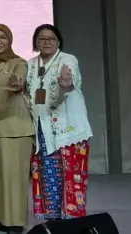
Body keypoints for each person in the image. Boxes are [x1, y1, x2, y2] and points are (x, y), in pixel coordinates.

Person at [26, 24, 92, 220]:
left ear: (58, 42)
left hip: (69, 130)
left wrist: (68, 84)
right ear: (36, 43)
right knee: (49, 175)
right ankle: (53, 219)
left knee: (73, 178)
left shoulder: (68, 59)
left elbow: (72, 80)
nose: (47, 42)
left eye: (51, 39)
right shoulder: (30, 65)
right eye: (42, 39)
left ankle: (73, 221)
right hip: (43, 129)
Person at [0, 24, 35, 234]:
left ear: (9, 40)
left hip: (15, 127)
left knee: (15, 176)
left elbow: (19, 81)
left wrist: (17, 84)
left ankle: (16, 221)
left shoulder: (19, 63)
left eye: (2, 37)